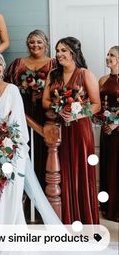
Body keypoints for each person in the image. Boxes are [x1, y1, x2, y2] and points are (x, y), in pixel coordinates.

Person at [0, 51, 62, 255]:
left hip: (13, 152)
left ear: (3, 67)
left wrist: (7, 148)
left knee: (11, 197)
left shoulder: (12, 90)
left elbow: (19, 125)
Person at [42, 37, 101, 224]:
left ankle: (84, 219)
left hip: (80, 129)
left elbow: (96, 104)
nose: (58, 54)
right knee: (62, 170)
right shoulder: (53, 74)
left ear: (74, 53)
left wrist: (77, 114)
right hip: (58, 129)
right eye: (58, 50)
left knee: (80, 170)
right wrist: (59, 107)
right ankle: (65, 218)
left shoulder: (85, 74)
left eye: (63, 50)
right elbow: (44, 101)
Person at [5, 30, 56, 191]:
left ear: (46, 44)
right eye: (32, 42)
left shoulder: (54, 64)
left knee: (43, 150)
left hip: (45, 113)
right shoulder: (17, 63)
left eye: (39, 42)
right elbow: (7, 87)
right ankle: (23, 192)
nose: (35, 45)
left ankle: (42, 191)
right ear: (27, 44)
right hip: (22, 111)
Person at [98, 46, 119, 222]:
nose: (108, 57)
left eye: (112, 55)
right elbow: (99, 105)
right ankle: (106, 206)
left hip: (118, 130)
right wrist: (99, 120)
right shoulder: (103, 79)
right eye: (108, 54)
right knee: (106, 165)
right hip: (105, 130)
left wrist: (116, 123)